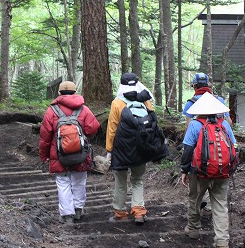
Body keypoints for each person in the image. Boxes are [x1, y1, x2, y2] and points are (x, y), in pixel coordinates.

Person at [180, 92, 238, 248]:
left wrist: (184, 170)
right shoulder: (224, 124)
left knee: (195, 199)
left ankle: (193, 230)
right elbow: (234, 146)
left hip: (199, 172)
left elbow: (188, 150)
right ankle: (222, 241)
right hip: (222, 172)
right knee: (220, 205)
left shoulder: (195, 124)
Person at [39, 81, 100, 224]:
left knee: (63, 182)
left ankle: (67, 215)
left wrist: (44, 155)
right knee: (79, 181)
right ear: (75, 92)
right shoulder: (83, 109)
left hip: (59, 154)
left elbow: (45, 137)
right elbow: (93, 128)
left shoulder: (52, 111)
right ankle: (78, 209)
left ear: (59, 93)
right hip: (80, 153)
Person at [106, 72, 158, 224]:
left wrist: (109, 149)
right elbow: (153, 123)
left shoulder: (117, 103)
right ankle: (139, 212)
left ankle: (120, 212)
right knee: (137, 180)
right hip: (141, 145)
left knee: (120, 180)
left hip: (121, 147)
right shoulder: (145, 100)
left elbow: (112, 128)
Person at [182, 72, 231, 217]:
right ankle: (222, 238)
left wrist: (184, 168)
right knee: (220, 200)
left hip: (199, 161)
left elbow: (188, 128)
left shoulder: (191, 102)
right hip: (222, 159)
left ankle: (193, 228)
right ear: (208, 85)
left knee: (195, 195)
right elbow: (230, 124)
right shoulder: (219, 100)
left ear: (195, 86)